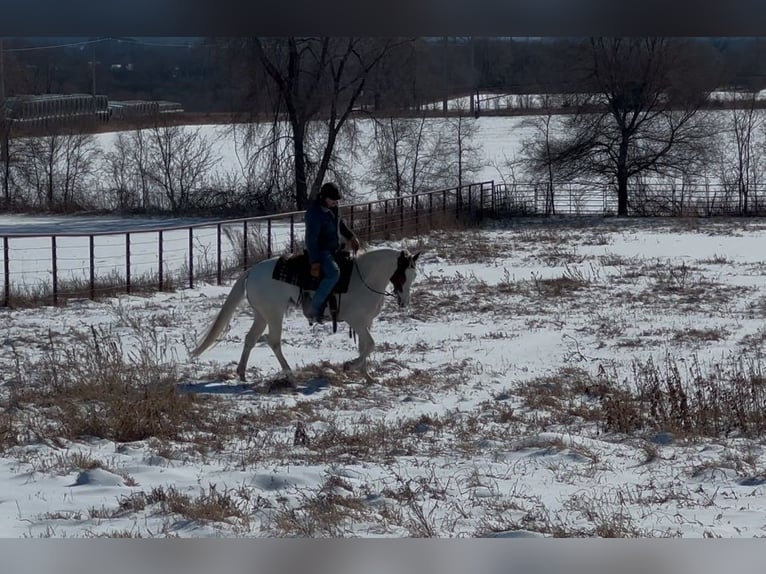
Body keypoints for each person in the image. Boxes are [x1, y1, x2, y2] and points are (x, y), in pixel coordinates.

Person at [304, 182, 360, 324]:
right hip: (322, 250)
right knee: (333, 273)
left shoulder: (333, 209)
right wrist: (315, 262)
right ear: (324, 198)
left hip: (335, 248)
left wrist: (351, 237)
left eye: (336, 200)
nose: (335, 202)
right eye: (332, 199)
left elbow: (340, 225)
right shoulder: (314, 213)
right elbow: (311, 239)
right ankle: (314, 309)